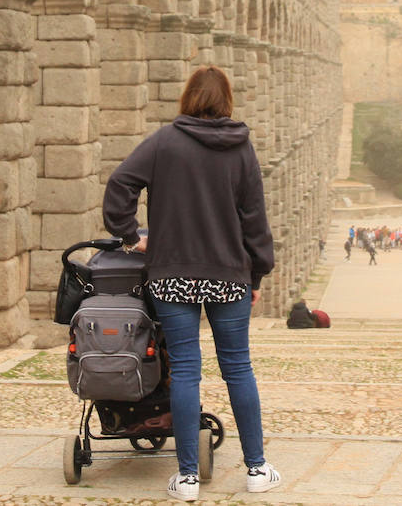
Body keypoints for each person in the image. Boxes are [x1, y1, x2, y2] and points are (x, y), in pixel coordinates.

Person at [103, 66, 281, 502]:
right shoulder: (242, 148)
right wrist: (256, 272)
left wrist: (131, 237)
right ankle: (256, 468)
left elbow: (120, 183)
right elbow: (253, 219)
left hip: (173, 274)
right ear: (227, 100)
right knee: (237, 367)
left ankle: (186, 479)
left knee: (185, 370)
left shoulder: (165, 142)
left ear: (187, 98)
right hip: (227, 275)